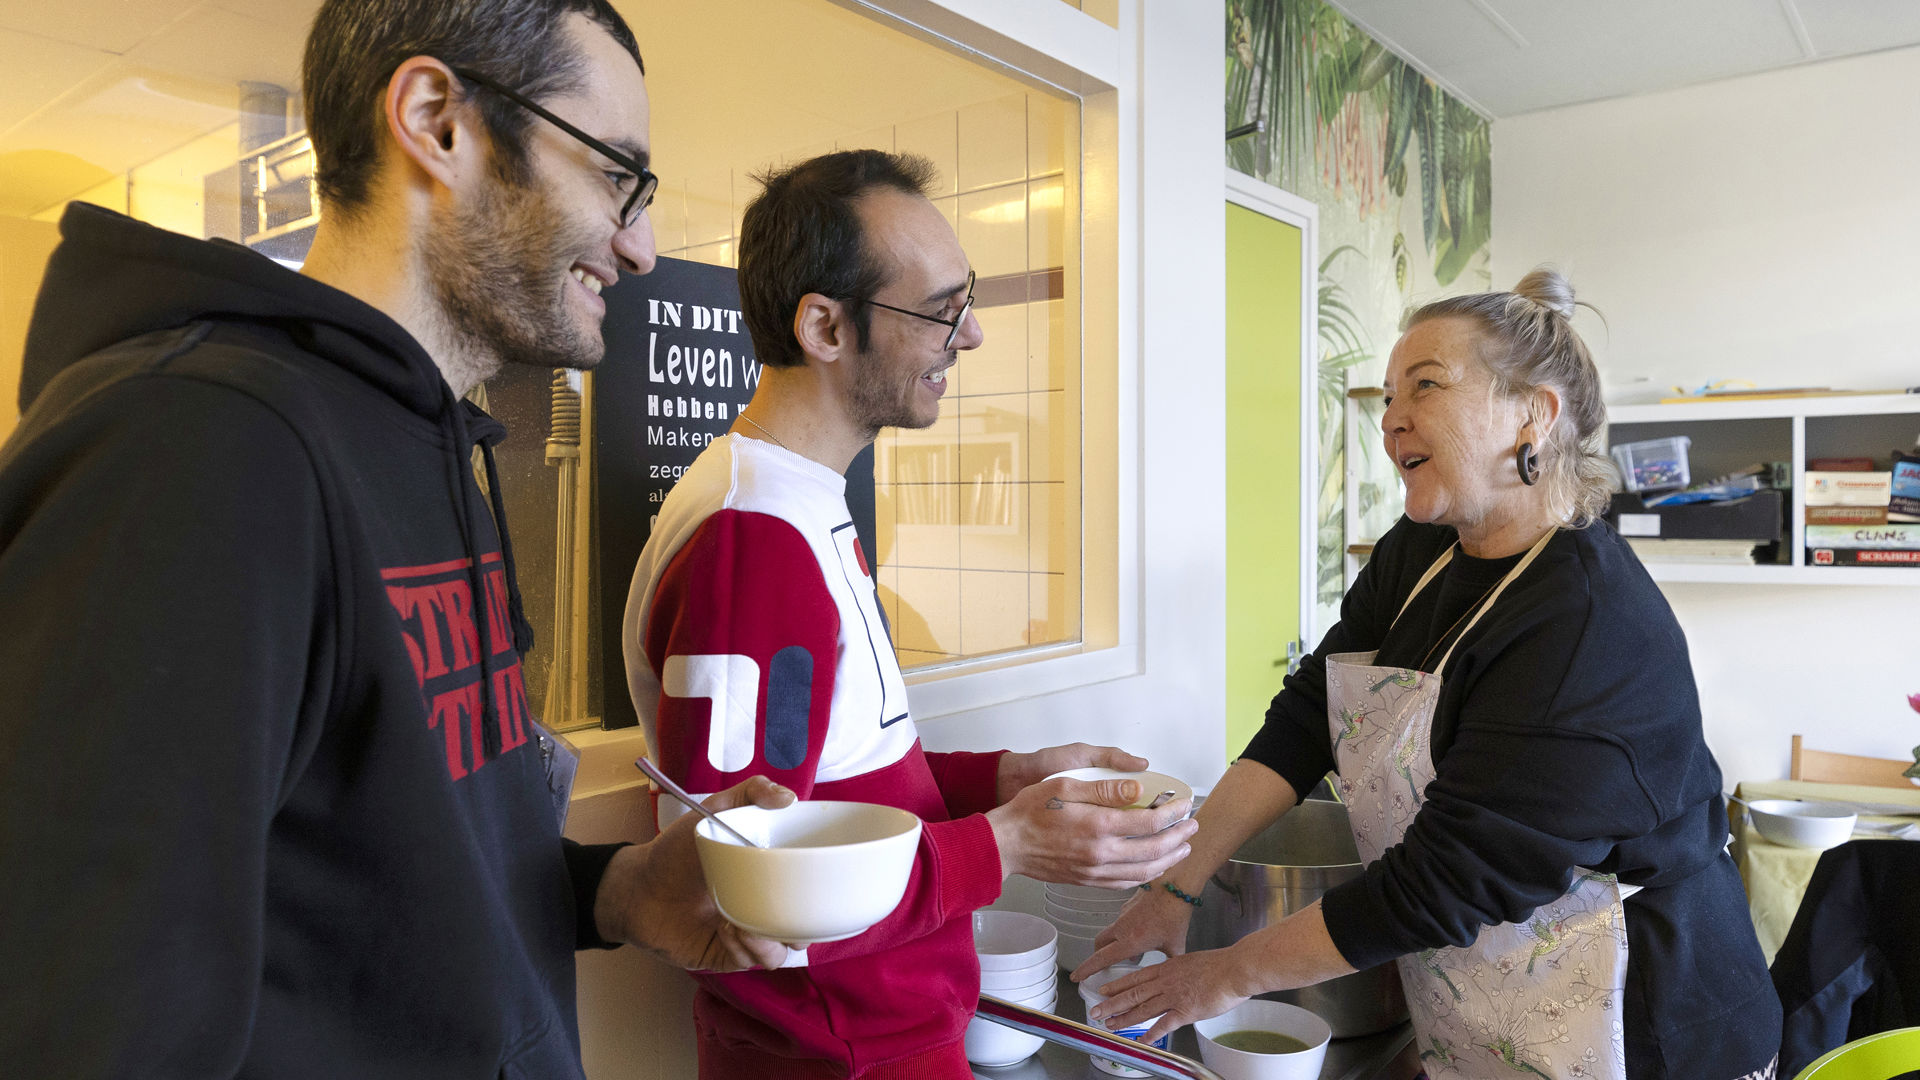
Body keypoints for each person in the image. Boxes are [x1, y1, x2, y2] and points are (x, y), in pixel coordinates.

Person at [0, 2, 791, 1076]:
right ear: (436, 120)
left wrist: (612, 891)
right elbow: (88, 1030)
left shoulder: (435, 441)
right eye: (618, 176)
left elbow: (389, 871)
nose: (642, 247)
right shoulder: (195, 446)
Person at [1077, 270, 1781, 1080]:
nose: (1391, 420)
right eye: (1386, 395)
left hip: (1648, 1025)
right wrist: (1177, 886)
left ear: (1534, 415)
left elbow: (1442, 882)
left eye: (1426, 386)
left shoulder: (1586, 628)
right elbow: (1309, 717)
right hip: (1486, 991)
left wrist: (1224, 972)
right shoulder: (1420, 551)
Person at [622, 149, 1198, 1080]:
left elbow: (829, 788)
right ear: (824, 326)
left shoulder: (798, 501)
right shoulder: (752, 536)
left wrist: (1005, 777)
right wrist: (1010, 841)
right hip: (835, 1054)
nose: (967, 338)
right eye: (938, 310)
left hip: (878, 1035)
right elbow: (746, 884)